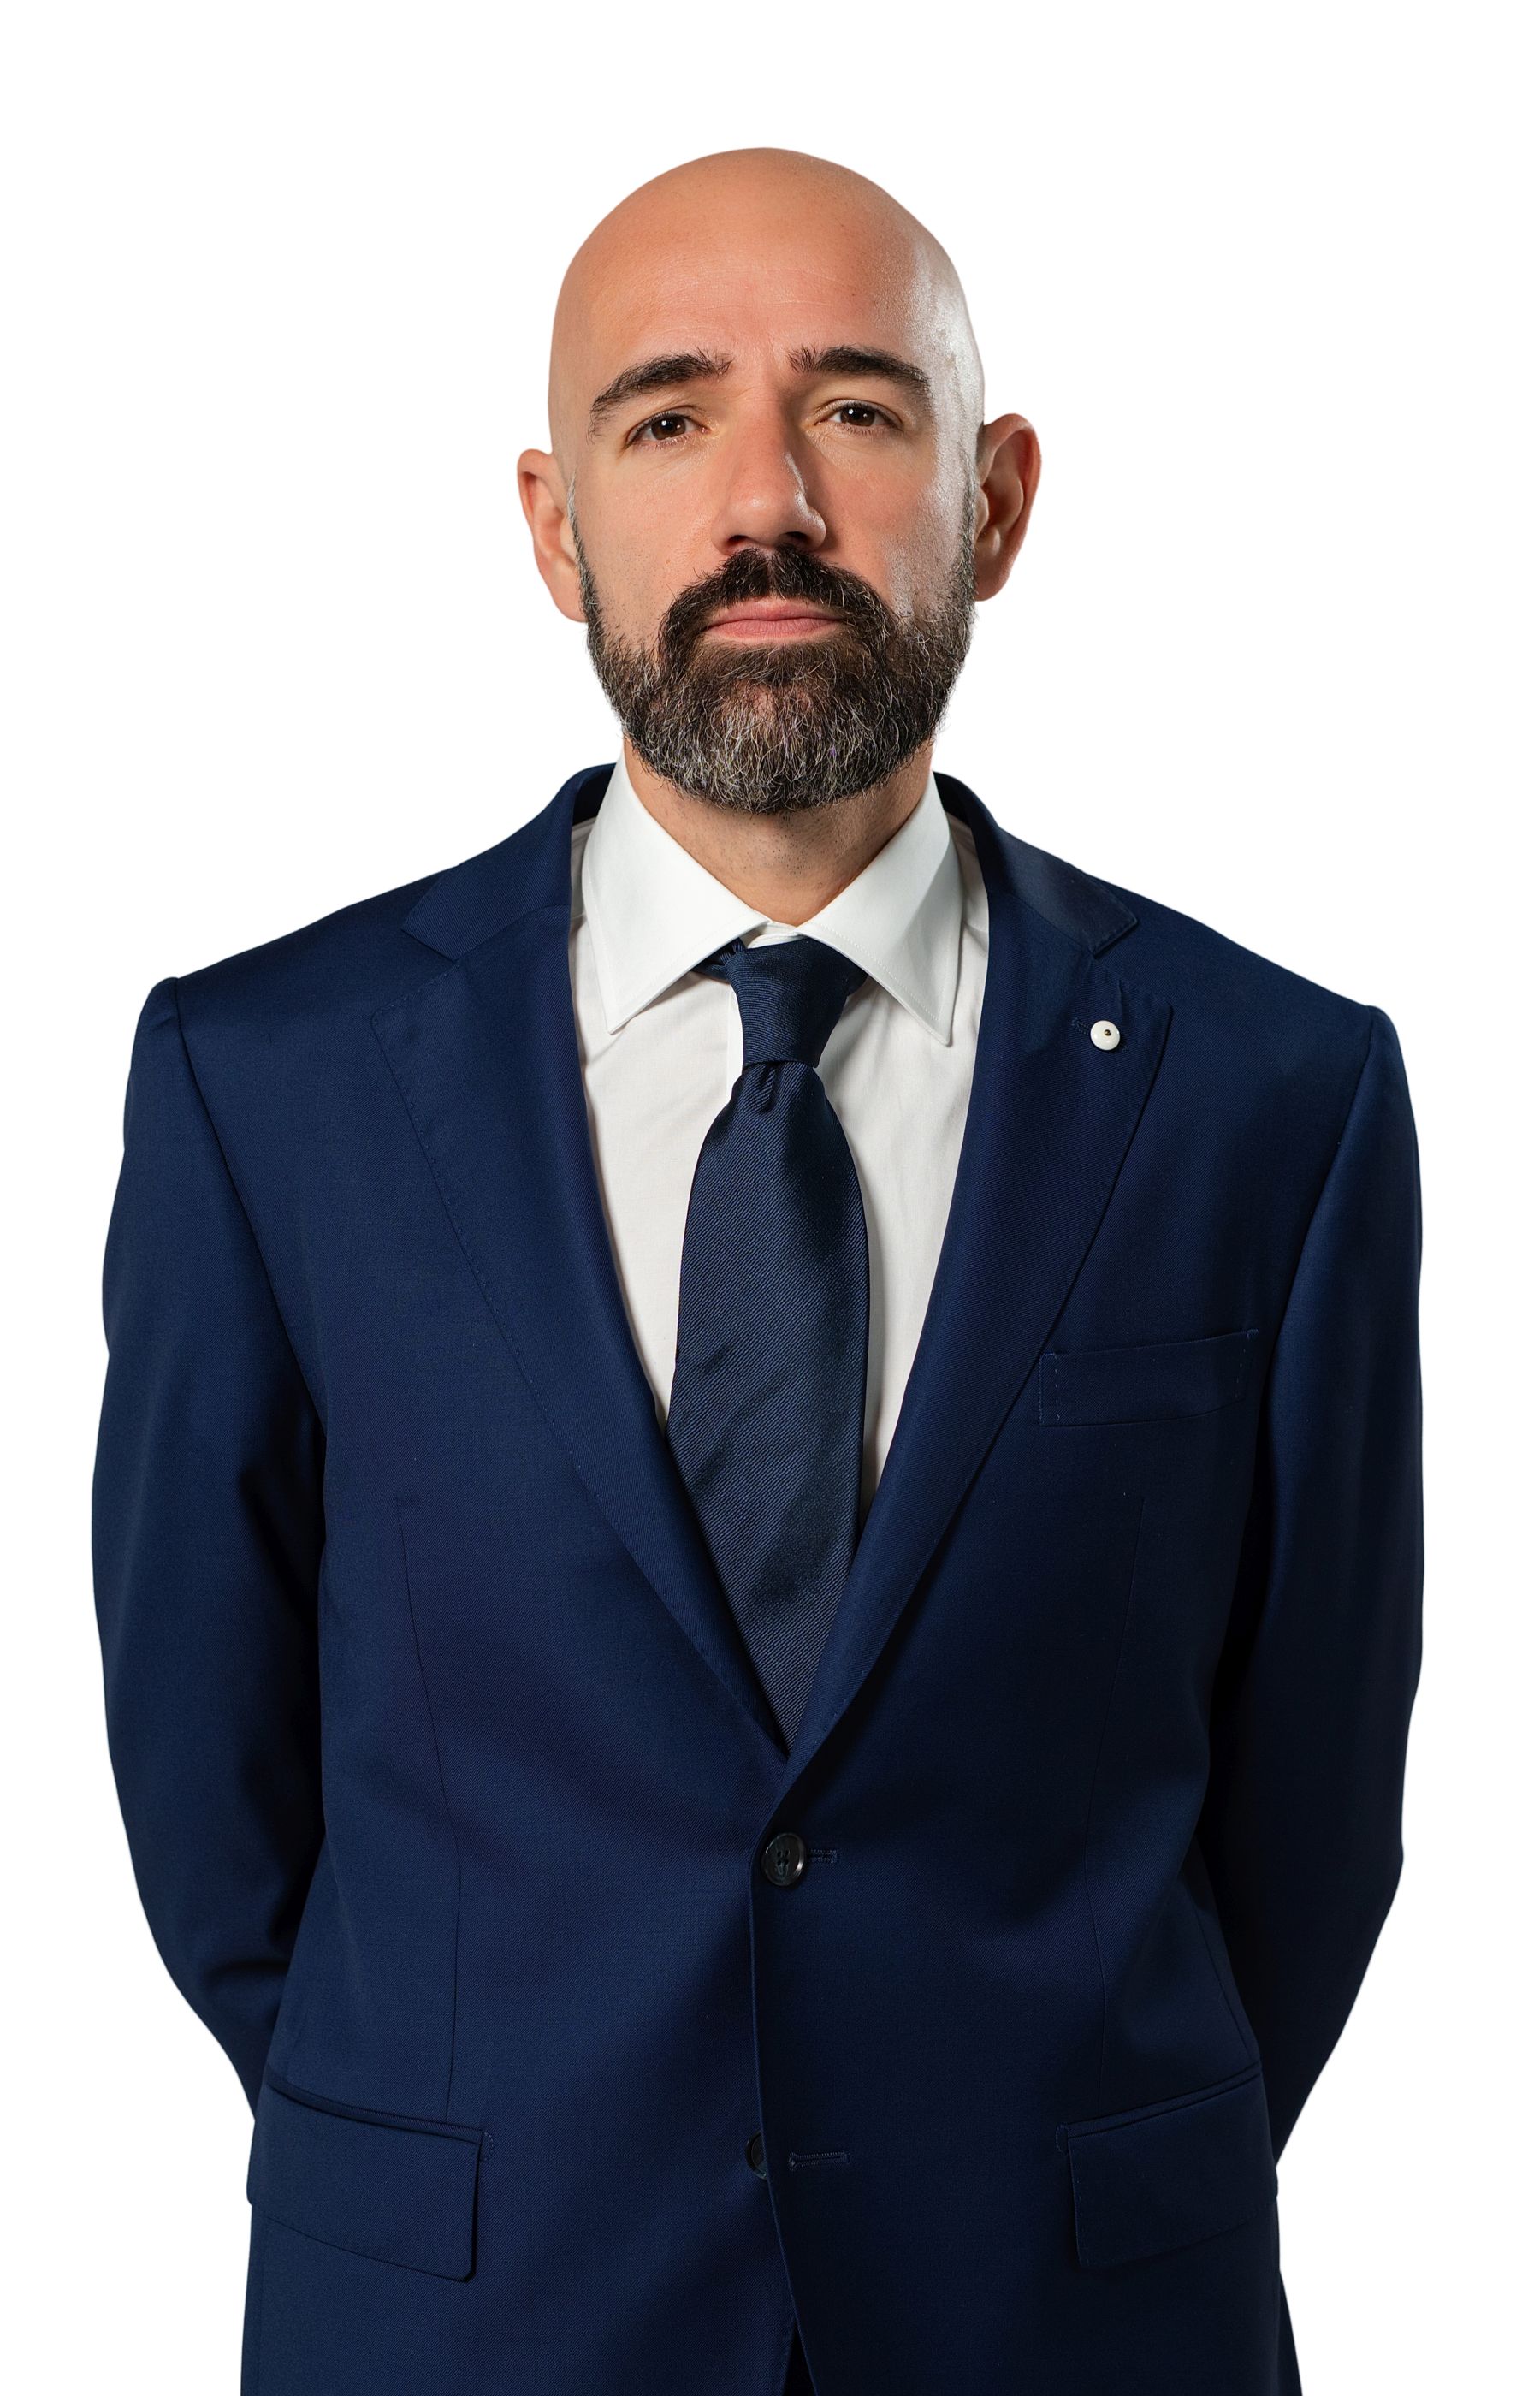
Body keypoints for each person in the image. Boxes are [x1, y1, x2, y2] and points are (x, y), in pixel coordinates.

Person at [92, 147, 1422, 2396]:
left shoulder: (1274, 1093)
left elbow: (1311, 1815)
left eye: (859, 410)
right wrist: (468, 2135)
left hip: (1069, 2328)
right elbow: (212, 1796)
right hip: (467, 2321)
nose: (767, 503)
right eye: (669, 415)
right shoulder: (270, 1084)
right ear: (554, 529)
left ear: (996, 500)